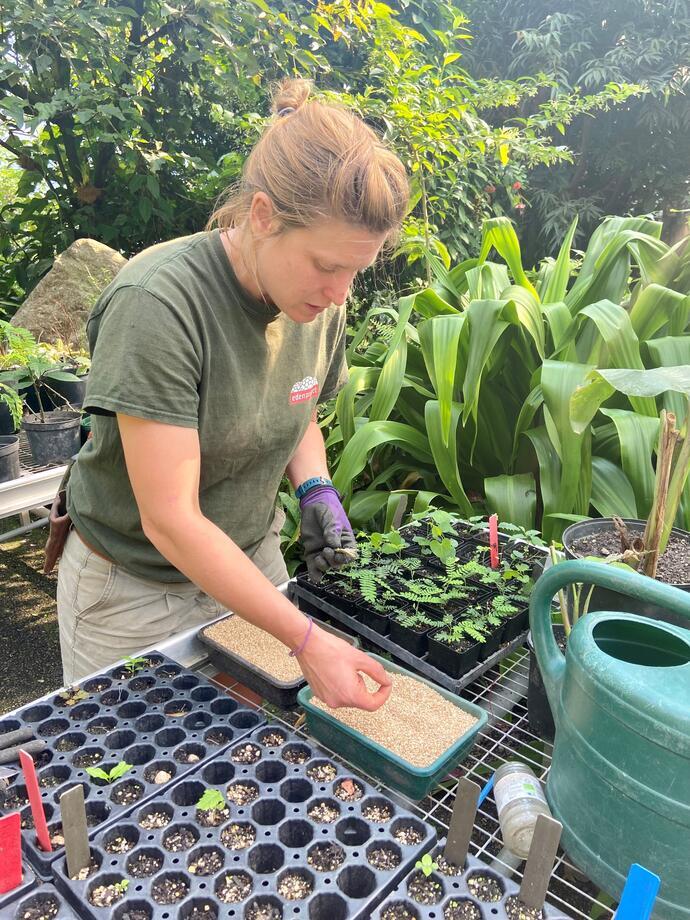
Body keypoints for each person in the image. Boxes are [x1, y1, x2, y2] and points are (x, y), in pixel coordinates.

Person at [54, 78, 409, 711]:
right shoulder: (159, 303)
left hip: (251, 562)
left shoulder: (316, 302)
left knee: (257, 761)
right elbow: (171, 519)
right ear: (264, 216)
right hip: (134, 587)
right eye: (329, 266)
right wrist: (305, 638)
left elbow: (295, 408)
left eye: (358, 270)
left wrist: (315, 488)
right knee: (133, 772)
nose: (341, 293)